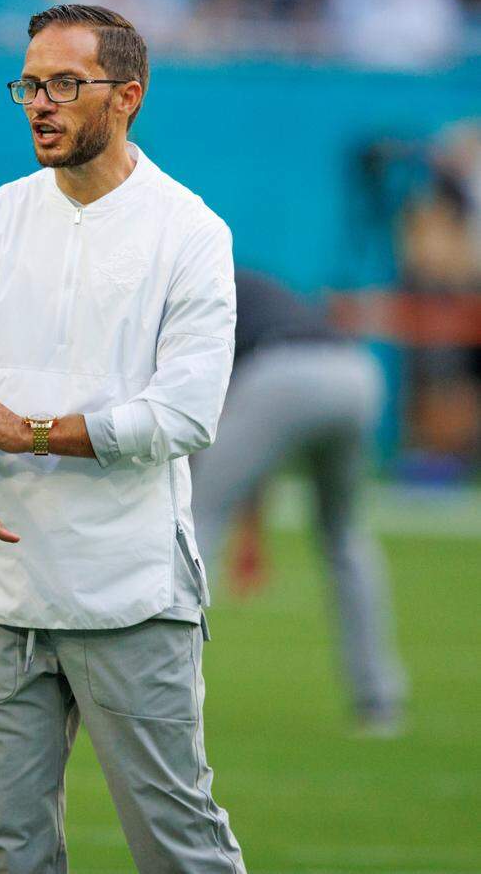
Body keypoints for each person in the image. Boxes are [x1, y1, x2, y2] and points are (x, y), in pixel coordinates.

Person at [0, 3, 246, 873]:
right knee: (8, 852)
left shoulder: (190, 232)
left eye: (64, 84)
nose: (39, 103)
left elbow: (185, 414)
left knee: (180, 845)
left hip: (128, 592)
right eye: (29, 84)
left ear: (127, 95)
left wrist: (31, 431)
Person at [191, 271, 407, 733]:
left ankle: (148, 690)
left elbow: (207, 417)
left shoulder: (194, 288)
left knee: (193, 523)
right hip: (357, 376)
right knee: (345, 538)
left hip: (281, 375)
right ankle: (379, 700)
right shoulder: (252, 283)